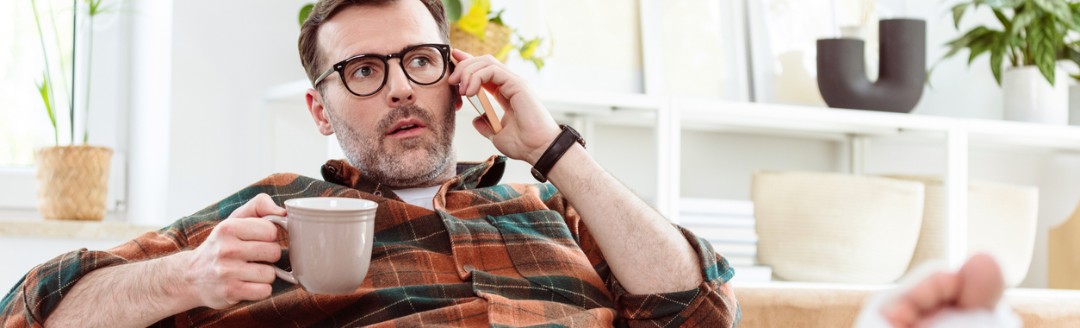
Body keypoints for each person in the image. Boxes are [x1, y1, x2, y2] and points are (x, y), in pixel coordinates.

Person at [0, 0, 1011, 327]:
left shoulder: (552, 204)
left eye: (419, 60)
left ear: (456, 74)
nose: (398, 87)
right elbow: (33, 310)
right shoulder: (264, 218)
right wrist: (186, 275)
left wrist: (554, 151)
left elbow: (697, 308)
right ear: (319, 107)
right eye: (362, 71)